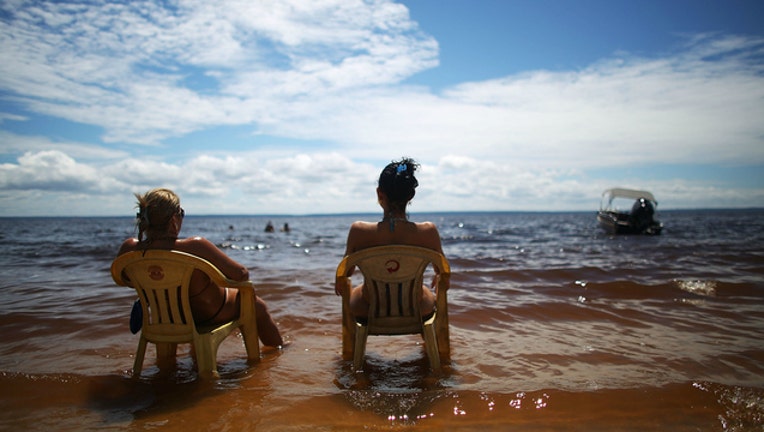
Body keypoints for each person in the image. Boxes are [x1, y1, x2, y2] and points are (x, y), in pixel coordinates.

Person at [117, 188, 284, 348]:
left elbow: (122, 278)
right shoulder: (195, 245)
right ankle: (278, 351)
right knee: (257, 305)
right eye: (181, 214)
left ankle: (172, 364)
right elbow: (241, 274)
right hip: (208, 314)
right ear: (174, 219)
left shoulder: (129, 248)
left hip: (168, 318)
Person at [335, 157, 448, 318]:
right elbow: (443, 273)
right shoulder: (428, 232)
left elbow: (345, 274)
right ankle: (429, 342)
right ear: (411, 195)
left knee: (357, 291)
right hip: (415, 308)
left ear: (379, 193)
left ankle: (354, 342)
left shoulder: (358, 231)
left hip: (369, 308)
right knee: (424, 292)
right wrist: (439, 277)